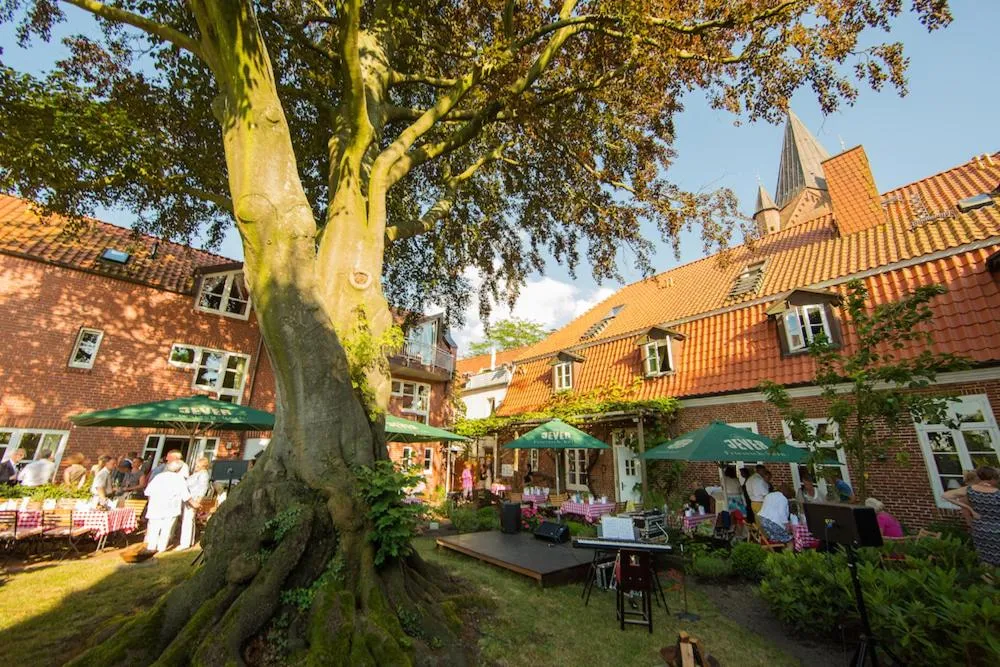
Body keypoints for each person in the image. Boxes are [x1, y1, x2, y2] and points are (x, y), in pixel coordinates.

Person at [943, 466, 1000, 566]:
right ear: (992, 478)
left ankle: (987, 578)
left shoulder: (970, 490)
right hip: (996, 529)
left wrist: (970, 509)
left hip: (979, 529)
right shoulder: (997, 493)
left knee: (984, 559)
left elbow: (946, 496)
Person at [144, 460, 197, 553]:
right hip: (170, 508)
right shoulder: (179, 479)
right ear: (179, 470)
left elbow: (148, 492)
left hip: (155, 506)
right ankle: (161, 548)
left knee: (154, 528)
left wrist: (150, 503)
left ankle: (151, 547)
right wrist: (195, 504)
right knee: (166, 528)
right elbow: (186, 495)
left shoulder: (158, 477)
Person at [179, 457, 211, 549]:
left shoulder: (203, 475)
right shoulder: (196, 473)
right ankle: (188, 541)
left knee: (188, 520)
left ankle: (185, 543)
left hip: (193, 499)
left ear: (203, 466)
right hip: (187, 499)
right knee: (187, 520)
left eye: (197, 465)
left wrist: (197, 502)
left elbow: (203, 489)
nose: (195, 466)